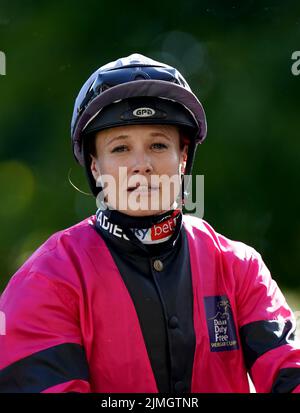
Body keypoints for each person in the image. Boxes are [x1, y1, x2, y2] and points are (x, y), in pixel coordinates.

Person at [0, 53, 299, 394]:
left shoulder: (239, 267)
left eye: (158, 144)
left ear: (183, 158)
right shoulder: (46, 277)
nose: (141, 165)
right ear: (95, 166)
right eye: (121, 148)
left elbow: (291, 372)